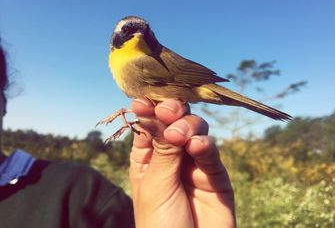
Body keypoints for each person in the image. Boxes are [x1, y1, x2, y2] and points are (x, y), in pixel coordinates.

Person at [0, 41, 236, 227]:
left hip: (191, 87)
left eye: (144, 32)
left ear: (4, 100)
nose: (137, 35)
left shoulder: (82, 191)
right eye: (127, 32)